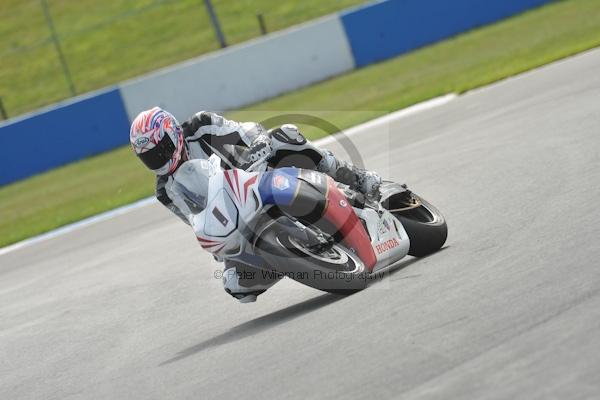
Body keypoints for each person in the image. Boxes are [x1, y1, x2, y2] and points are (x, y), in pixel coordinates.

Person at [129, 107, 381, 303]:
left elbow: (244, 131)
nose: (158, 159)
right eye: (149, 157)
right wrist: (218, 248)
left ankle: (356, 178)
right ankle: (290, 259)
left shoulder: (200, 125)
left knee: (284, 137)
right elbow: (194, 220)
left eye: (161, 149)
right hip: (238, 219)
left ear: (173, 134)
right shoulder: (166, 191)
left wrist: (258, 143)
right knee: (236, 284)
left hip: (259, 174)